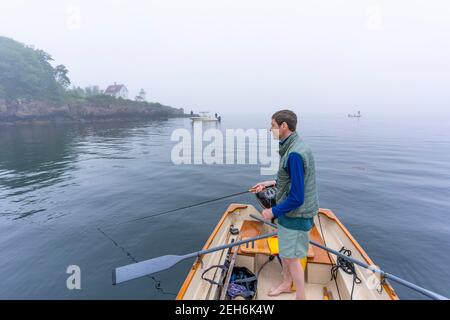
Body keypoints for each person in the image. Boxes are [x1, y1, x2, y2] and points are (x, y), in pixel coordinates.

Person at [251, 109, 319, 300]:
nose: (270, 129)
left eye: (273, 125)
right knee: (286, 252)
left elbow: (297, 197)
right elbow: (291, 179)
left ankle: (301, 297)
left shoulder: (295, 153)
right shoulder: (293, 146)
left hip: (296, 215)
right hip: (290, 214)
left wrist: (271, 211)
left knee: (291, 257)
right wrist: (269, 183)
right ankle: (285, 284)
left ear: (284, 126)